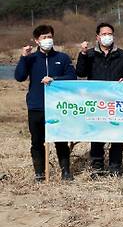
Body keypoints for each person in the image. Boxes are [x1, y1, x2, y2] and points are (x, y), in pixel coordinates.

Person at [14, 25, 77, 182]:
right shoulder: (31, 58)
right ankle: (40, 172)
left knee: (61, 139)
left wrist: (55, 80)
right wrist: (23, 57)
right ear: (37, 41)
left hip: (58, 107)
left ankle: (66, 172)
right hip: (36, 106)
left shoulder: (62, 58)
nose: (48, 40)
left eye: (49, 37)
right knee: (37, 141)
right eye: (44, 38)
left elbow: (72, 77)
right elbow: (19, 77)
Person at [76, 22, 123, 176]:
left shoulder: (122, 54)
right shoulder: (89, 54)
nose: (107, 37)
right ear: (97, 37)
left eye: (109, 34)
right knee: (97, 134)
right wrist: (82, 54)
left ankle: (115, 166)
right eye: (104, 34)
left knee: (117, 134)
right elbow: (81, 73)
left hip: (117, 101)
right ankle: (97, 166)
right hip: (97, 101)